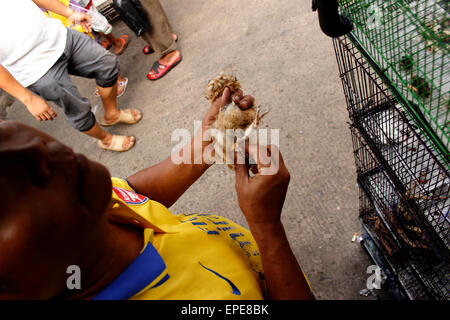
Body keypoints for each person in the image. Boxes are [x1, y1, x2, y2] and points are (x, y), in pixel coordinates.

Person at [0, 87, 314, 300]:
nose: (31, 149)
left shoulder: (88, 205)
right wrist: (268, 229)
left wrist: (209, 141)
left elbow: (135, 195)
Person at [0, 0, 142, 152]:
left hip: (59, 36)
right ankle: (106, 140)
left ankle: (112, 113)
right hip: (34, 69)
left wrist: (70, 13)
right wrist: (27, 98)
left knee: (107, 65)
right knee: (78, 110)